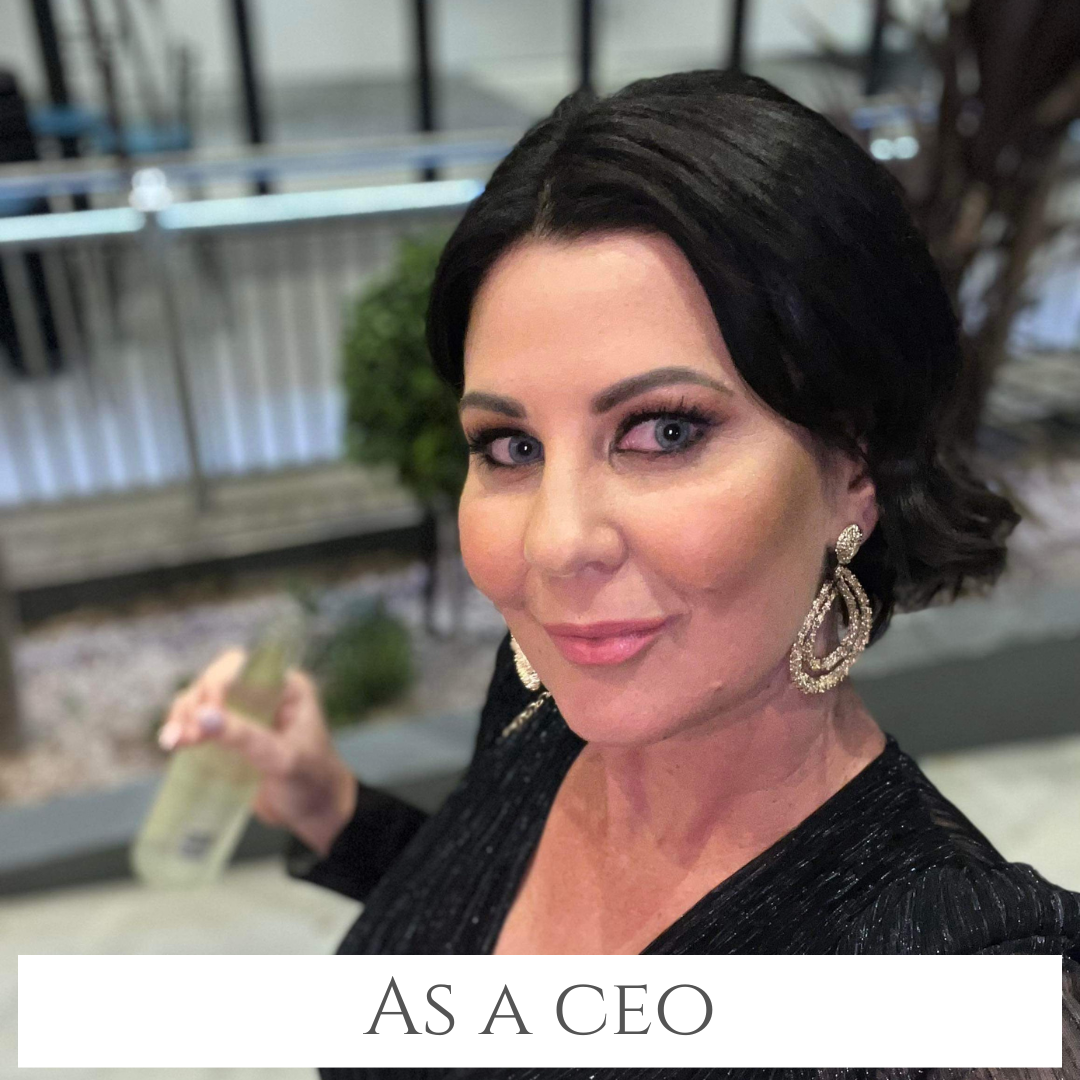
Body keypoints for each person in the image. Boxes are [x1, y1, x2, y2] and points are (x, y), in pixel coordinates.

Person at [159, 70, 1080, 1079]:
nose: (555, 546)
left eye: (664, 431)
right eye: (510, 446)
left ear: (854, 464)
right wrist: (330, 806)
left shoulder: (961, 994)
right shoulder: (546, 700)